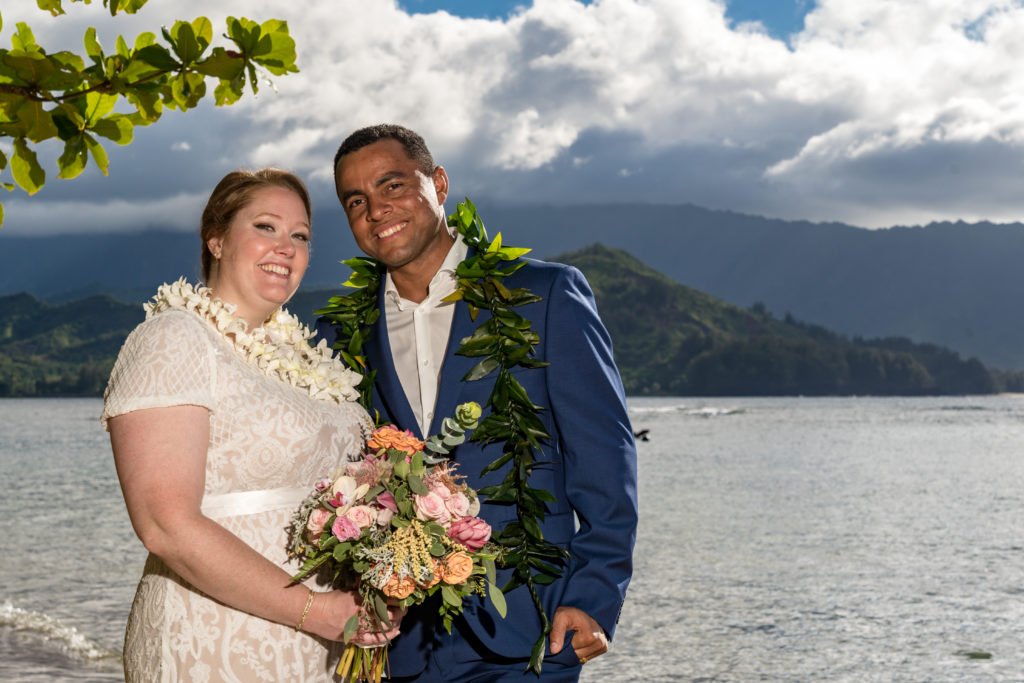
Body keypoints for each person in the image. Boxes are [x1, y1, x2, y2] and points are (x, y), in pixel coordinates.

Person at [317, 125, 638, 681]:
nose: (375, 210)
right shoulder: (340, 334)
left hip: (531, 627)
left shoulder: (543, 297)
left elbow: (607, 463)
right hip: (395, 640)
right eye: (355, 201)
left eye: (392, 186)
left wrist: (593, 595)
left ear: (439, 183)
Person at [102, 168, 402, 682]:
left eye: (300, 236)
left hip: (321, 644)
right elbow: (164, 525)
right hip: (215, 633)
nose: (285, 247)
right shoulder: (176, 337)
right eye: (265, 227)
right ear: (216, 239)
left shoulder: (307, 357)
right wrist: (314, 608)